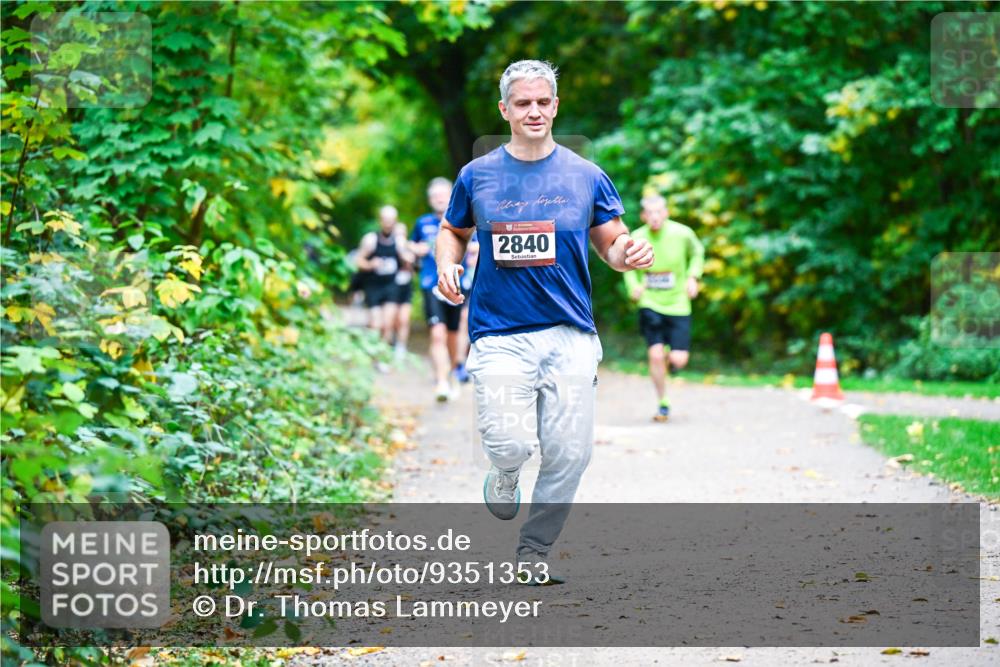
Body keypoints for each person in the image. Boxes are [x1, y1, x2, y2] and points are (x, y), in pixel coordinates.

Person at [434, 60, 654, 582]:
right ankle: (506, 471)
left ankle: (533, 552)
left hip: (570, 332)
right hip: (499, 331)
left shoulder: (585, 176)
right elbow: (453, 230)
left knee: (570, 453)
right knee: (510, 442)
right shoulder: (477, 174)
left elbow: (612, 245)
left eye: (543, 102)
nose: (534, 111)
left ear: (555, 106)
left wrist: (631, 252)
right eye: (523, 103)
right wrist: (447, 262)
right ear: (505, 109)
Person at [623, 194, 704, 422]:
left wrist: (692, 277)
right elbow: (628, 267)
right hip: (650, 302)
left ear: (666, 213)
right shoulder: (636, 237)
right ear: (643, 216)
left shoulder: (683, 233)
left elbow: (697, 253)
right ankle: (663, 403)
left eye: (659, 212)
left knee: (679, 359)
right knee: (655, 354)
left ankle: (671, 360)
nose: (655, 217)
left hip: (678, 303)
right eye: (650, 213)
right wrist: (635, 287)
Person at [411, 178, 470, 401]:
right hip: (431, 284)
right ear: (429, 199)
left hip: (457, 283)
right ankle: (442, 382)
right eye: (435, 196)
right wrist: (417, 249)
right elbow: (411, 245)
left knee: (454, 336)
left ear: (450, 196)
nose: (439, 199)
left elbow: (478, 243)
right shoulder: (422, 223)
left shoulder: (463, 220)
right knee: (437, 334)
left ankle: (455, 369)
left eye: (443, 195)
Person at [356, 205, 413, 345]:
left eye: (391, 220)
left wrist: (407, 258)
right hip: (373, 286)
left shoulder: (400, 241)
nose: (388, 223)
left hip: (391, 286)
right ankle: (374, 352)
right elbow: (358, 260)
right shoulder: (370, 239)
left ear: (395, 221)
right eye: (385, 219)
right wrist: (370, 264)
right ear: (380, 220)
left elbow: (409, 261)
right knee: (376, 324)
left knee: (387, 324)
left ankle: (384, 356)